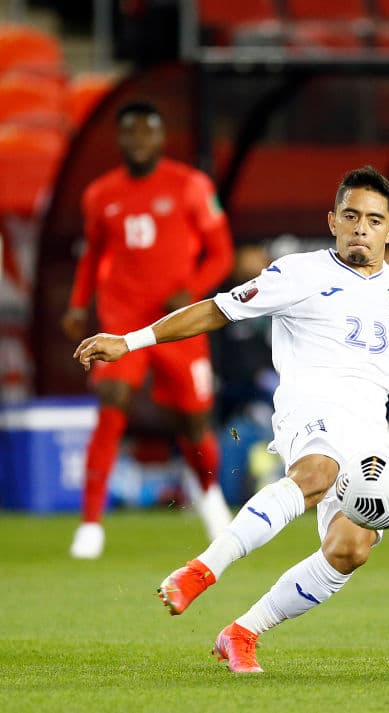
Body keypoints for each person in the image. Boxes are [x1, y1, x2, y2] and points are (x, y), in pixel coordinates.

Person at [73, 166, 389, 673]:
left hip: (369, 431)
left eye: (374, 220)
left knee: (350, 549)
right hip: (307, 412)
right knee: (317, 473)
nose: (360, 228)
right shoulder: (298, 274)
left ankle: (242, 632)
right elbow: (217, 310)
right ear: (333, 221)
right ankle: (201, 571)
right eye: (350, 216)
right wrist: (129, 341)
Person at [62, 101, 235, 559]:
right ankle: (91, 524)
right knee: (112, 402)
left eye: (147, 132)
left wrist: (192, 289)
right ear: (119, 139)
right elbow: (92, 255)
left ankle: (211, 500)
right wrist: (79, 305)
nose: (139, 140)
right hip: (121, 322)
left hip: (177, 325)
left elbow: (222, 253)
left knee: (194, 422)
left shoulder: (191, 186)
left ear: (161, 138)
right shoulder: (100, 194)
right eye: (130, 132)